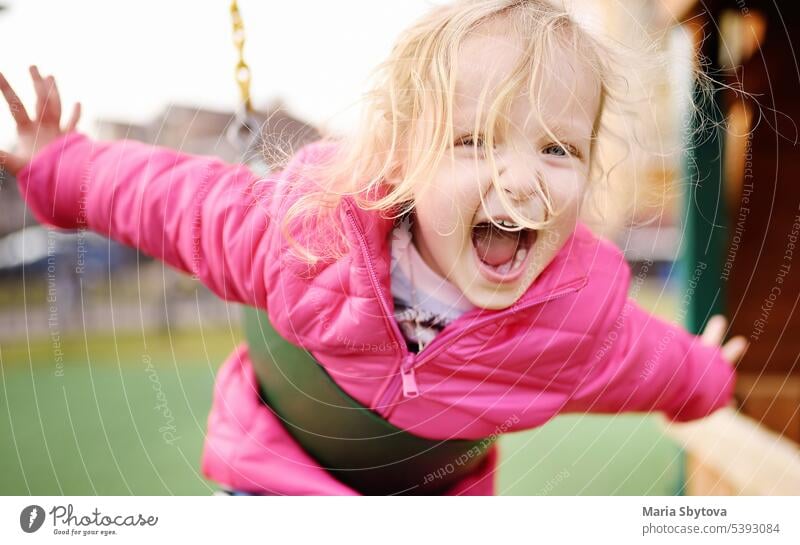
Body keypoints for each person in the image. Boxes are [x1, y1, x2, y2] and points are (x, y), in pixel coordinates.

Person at [1, 0, 748, 496]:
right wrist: (59, 166)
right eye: (472, 140)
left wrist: (706, 373)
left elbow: (645, 362)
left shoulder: (572, 321)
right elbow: (172, 201)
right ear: (406, 156)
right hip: (278, 485)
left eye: (557, 148)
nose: (520, 181)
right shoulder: (304, 235)